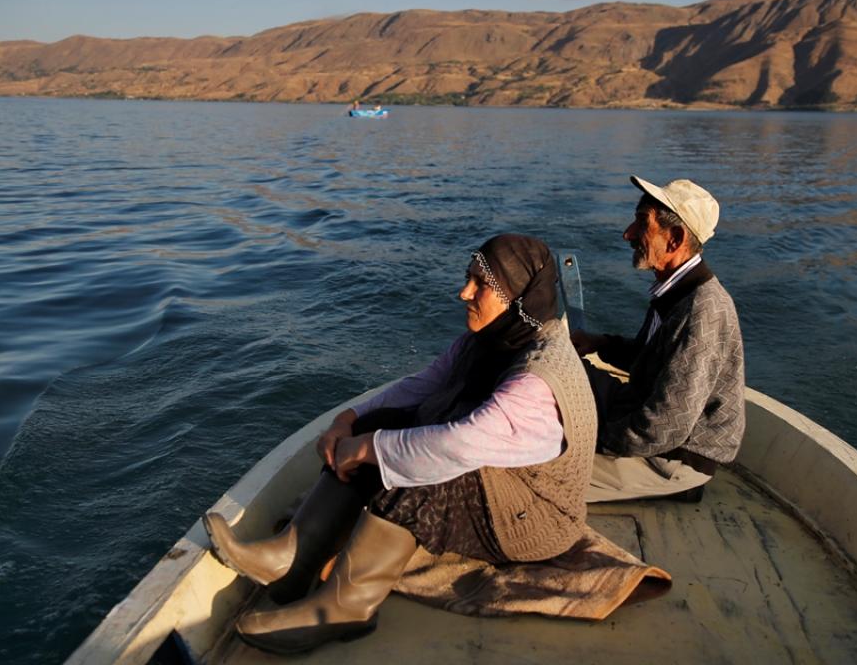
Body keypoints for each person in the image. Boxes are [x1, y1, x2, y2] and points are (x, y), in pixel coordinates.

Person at [203, 234, 597, 655]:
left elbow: (457, 445)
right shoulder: (489, 340)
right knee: (384, 426)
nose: (464, 292)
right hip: (506, 487)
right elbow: (421, 386)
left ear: (517, 296)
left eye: (481, 284)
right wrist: (348, 421)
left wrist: (369, 448)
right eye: (468, 278)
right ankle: (293, 561)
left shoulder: (537, 376)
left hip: (538, 519)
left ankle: (345, 609)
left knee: (424, 468)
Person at [572, 176, 744, 503]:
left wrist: (589, 438)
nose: (628, 234)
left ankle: (677, 486)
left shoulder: (702, 309)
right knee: (567, 379)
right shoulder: (675, 291)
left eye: (642, 224)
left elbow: (665, 426)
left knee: (536, 468)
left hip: (671, 458)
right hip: (641, 415)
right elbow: (650, 356)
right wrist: (600, 343)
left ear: (675, 238)